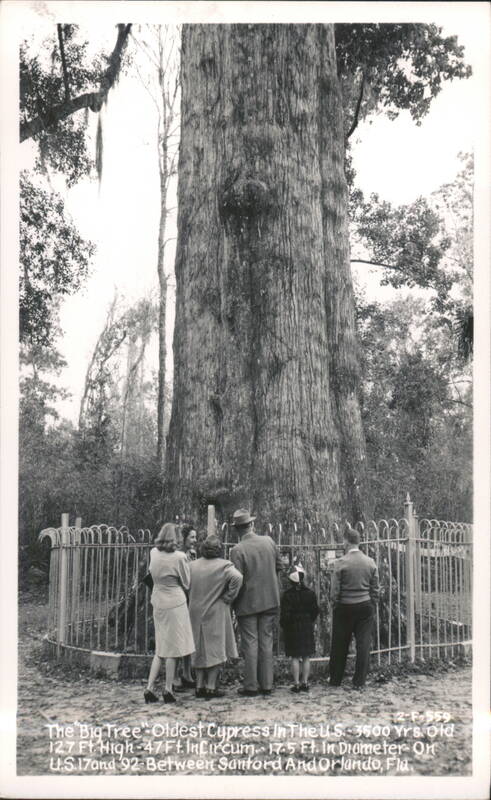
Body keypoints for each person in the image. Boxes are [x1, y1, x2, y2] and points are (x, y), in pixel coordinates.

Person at [229, 508, 283, 697]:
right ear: (251, 525)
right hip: (270, 600)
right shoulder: (269, 541)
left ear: (237, 529)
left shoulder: (237, 550)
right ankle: (267, 684)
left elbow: (236, 578)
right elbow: (279, 566)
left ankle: (251, 685)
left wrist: (231, 601)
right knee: (266, 641)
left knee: (250, 643)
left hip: (248, 602)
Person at [144, 523, 195, 704]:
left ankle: (149, 687)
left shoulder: (153, 553)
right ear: (176, 538)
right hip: (175, 603)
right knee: (173, 649)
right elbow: (187, 583)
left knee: (161, 648)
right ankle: (168, 689)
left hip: (158, 601)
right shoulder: (180, 557)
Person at [188, 535, 243, 698]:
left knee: (197, 647)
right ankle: (211, 686)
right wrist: (229, 596)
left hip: (195, 610)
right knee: (215, 648)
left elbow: (184, 583)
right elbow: (238, 577)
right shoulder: (224, 566)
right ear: (219, 550)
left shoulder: (192, 565)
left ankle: (199, 686)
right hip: (216, 611)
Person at [329, 525, 380, 689]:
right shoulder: (370, 562)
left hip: (345, 607)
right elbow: (375, 588)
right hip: (365, 606)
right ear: (359, 542)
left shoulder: (341, 563)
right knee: (363, 644)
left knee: (339, 644)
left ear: (346, 542)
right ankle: (359, 681)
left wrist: (335, 604)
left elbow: (334, 590)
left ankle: (335, 679)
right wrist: (372, 602)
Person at [280, 563, 319, 693]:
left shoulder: (287, 595)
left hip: (292, 627)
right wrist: (309, 620)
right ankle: (305, 682)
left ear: (290, 580)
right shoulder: (310, 593)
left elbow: (285, 615)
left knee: (295, 657)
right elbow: (315, 611)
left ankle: (296, 683)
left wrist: (285, 625)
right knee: (306, 656)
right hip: (306, 625)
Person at [173, 523, 198, 690]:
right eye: (192, 537)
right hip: (179, 598)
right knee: (178, 638)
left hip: (190, 598)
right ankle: (175, 677)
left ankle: (187, 673)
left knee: (188, 637)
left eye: (195, 537)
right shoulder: (178, 556)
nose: (195, 540)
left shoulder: (191, 554)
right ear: (183, 538)